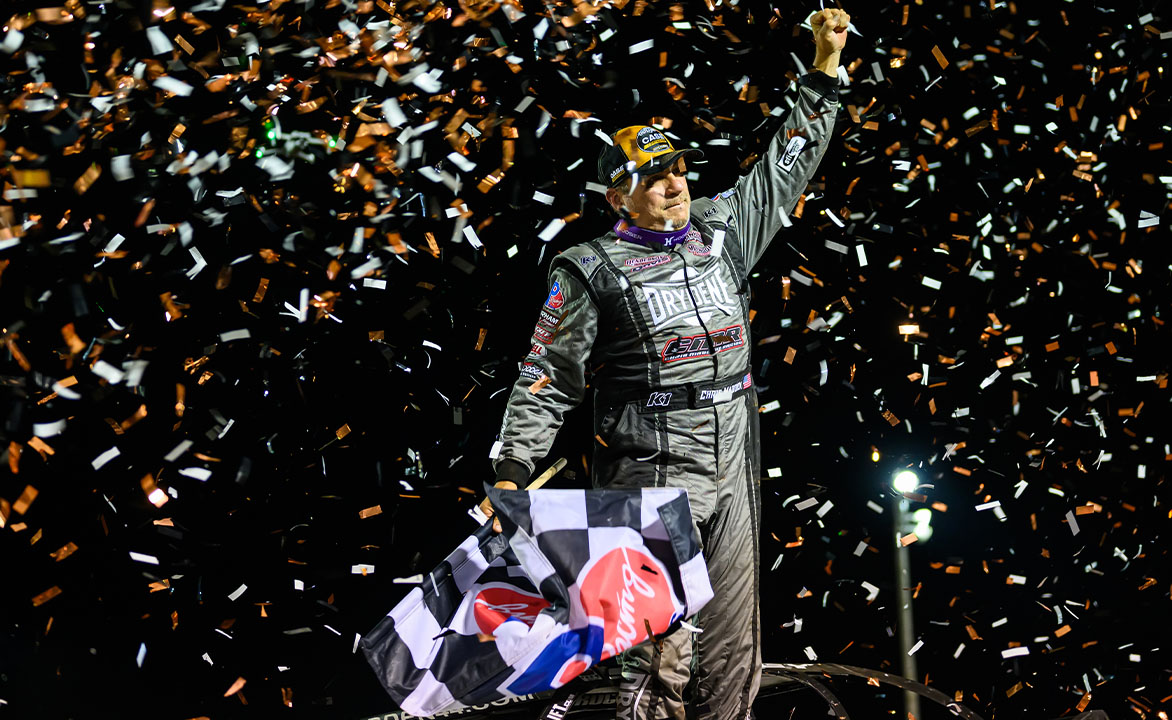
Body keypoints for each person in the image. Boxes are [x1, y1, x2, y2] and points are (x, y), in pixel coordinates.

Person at [484, 9, 851, 720]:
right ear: (618, 194)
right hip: (653, 469)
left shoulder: (719, 231)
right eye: (654, 176)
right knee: (650, 660)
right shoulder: (590, 268)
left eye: (679, 168)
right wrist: (512, 472)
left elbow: (785, 166)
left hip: (734, 453)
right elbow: (545, 377)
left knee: (729, 655)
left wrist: (824, 66)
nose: (675, 184)